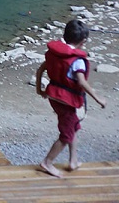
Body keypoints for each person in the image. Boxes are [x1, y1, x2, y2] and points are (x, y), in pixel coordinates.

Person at [35, 19, 107, 178]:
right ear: (83, 41)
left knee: (73, 126)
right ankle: (47, 162)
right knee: (66, 135)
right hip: (67, 100)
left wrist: (39, 89)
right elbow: (82, 82)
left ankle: (73, 160)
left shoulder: (54, 54)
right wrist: (98, 98)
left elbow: (40, 70)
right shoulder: (77, 61)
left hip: (54, 96)